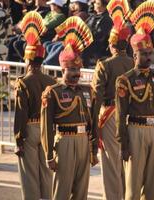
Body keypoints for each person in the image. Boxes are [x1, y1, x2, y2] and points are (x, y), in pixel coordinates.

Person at [115, 1, 154, 200]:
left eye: (150, 53)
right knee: (133, 184)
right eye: (144, 54)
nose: (148, 57)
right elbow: (120, 115)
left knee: (153, 184)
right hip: (134, 131)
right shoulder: (125, 80)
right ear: (134, 54)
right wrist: (123, 144)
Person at [40, 16, 98, 200]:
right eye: (71, 70)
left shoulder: (87, 91)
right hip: (64, 141)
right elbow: (46, 126)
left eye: (78, 70)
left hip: (83, 142)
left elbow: (93, 122)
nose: (76, 74)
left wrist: (94, 149)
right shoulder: (52, 92)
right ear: (62, 70)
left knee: (82, 189)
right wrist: (49, 154)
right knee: (62, 188)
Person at [91, 0, 134, 199]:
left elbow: (96, 96)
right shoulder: (134, 63)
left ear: (111, 44)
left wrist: (93, 124)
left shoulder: (104, 65)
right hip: (131, 115)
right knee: (127, 161)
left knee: (110, 162)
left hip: (109, 115)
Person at [13, 11, 55, 200]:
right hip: (47, 129)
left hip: (29, 129)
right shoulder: (51, 80)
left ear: (28, 60)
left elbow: (20, 113)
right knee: (46, 170)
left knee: (29, 173)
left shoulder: (23, 82)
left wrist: (18, 139)